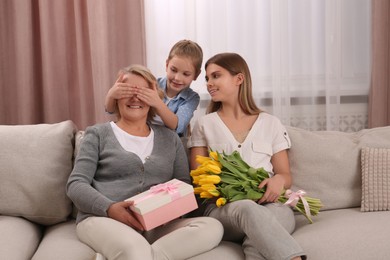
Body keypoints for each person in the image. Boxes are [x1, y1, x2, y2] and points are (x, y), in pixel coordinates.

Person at [67, 64, 223, 260]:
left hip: (156, 224)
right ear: (116, 96)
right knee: (135, 249)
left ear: (153, 99)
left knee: (212, 227)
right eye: (127, 91)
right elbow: (76, 184)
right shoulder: (97, 134)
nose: (134, 98)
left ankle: (143, 255)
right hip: (102, 219)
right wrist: (109, 208)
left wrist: (172, 209)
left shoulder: (170, 139)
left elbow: (183, 184)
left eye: (142, 92)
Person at [189, 53, 306, 260]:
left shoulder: (271, 123)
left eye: (216, 76)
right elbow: (198, 179)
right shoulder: (204, 124)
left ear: (239, 79)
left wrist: (278, 180)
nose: (209, 83)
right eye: (207, 78)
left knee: (273, 219)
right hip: (224, 210)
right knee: (247, 208)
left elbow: (285, 174)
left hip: (270, 205)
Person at [104, 39, 202, 137]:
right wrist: (111, 95)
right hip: (145, 137)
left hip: (170, 143)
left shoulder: (192, 98)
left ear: (196, 75)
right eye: (173, 70)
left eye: (186, 74)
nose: (177, 78)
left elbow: (177, 125)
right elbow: (111, 110)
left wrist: (157, 102)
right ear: (167, 65)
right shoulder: (153, 83)